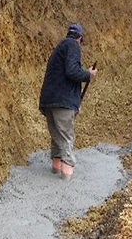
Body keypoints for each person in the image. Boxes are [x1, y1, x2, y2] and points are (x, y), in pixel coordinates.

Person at [39, 23, 97, 180]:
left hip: (48, 100)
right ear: (79, 38)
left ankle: (56, 169)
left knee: (57, 136)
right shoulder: (72, 45)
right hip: (62, 101)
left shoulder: (59, 48)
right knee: (66, 137)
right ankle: (66, 179)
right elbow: (71, 70)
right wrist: (88, 74)